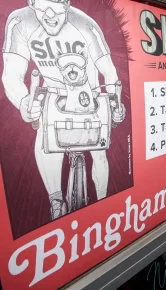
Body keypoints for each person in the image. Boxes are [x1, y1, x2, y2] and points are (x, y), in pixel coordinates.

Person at [2, 0, 125, 220]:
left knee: (100, 152)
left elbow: (109, 71)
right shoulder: (19, 22)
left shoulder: (86, 25)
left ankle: (103, 199)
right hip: (54, 98)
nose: (49, 14)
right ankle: (56, 200)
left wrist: (114, 104)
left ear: (67, 2)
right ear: (31, 2)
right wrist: (22, 101)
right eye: (41, 6)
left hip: (88, 97)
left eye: (55, 5)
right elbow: (12, 74)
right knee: (45, 139)